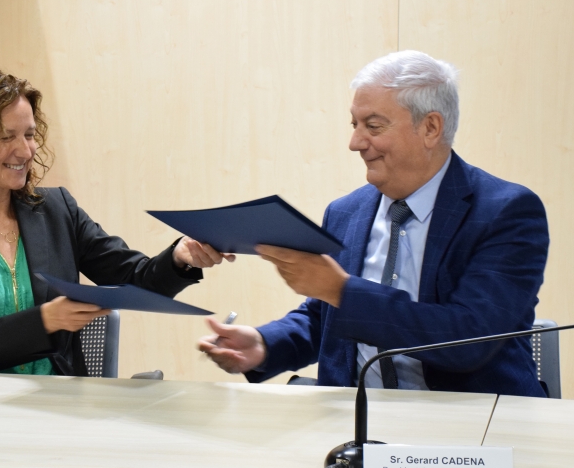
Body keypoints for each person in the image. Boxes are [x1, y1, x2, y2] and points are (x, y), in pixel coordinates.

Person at [199, 50, 549, 397]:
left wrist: (339, 289)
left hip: (472, 428)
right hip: (357, 420)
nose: (355, 143)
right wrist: (263, 345)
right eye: (354, 125)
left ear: (430, 128)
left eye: (373, 126)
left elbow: (468, 339)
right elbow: (327, 318)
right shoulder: (345, 212)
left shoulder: (506, 212)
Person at [0, 66, 233, 376]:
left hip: (59, 405)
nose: (25, 151)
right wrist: (43, 321)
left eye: (29, 135)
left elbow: (134, 279)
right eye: (6, 137)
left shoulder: (58, 210)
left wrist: (180, 258)